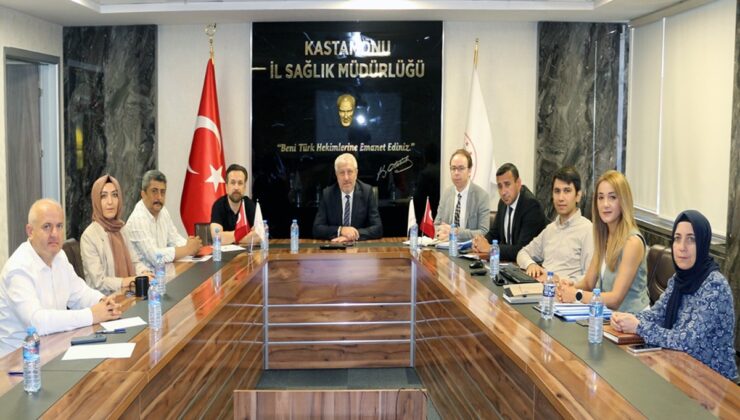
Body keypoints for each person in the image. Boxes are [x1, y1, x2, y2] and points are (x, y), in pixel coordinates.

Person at [610, 211, 737, 380]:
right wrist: (625, 318)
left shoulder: (714, 286)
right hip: (679, 369)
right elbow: (656, 315)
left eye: (691, 239)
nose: (682, 246)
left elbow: (687, 341)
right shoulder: (679, 279)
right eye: (677, 238)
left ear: (703, 243)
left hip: (714, 381)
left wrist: (638, 327)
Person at [0, 199, 121, 356]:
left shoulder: (59, 256)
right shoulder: (18, 269)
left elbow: (81, 294)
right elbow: (37, 323)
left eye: (59, 226)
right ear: (30, 231)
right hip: (20, 360)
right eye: (47, 226)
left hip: (54, 347)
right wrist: (91, 315)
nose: (55, 234)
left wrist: (103, 302)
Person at [557, 171, 649, 312]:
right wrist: (568, 287)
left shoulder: (633, 242)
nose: (605, 204)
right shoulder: (604, 236)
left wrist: (576, 294)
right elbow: (588, 283)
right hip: (606, 315)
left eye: (612, 197)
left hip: (632, 319)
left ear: (623, 201)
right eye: (600, 197)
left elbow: (615, 299)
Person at [516, 166, 593, 282]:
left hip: (565, 290)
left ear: (578, 196)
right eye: (557, 191)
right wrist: (531, 264)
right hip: (541, 288)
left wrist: (558, 280)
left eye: (567, 191)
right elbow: (522, 253)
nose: (560, 198)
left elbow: (590, 279)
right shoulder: (550, 229)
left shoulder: (588, 230)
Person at [81, 175, 150, 294]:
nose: (110, 202)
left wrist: (144, 273)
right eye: (103, 196)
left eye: (114, 195)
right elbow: (99, 282)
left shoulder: (121, 228)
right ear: (96, 201)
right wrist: (130, 281)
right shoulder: (89, 236)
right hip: (105, 300)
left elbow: (135, 262)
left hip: (128, 294)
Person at [125, 170, 201, 268]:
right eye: (154, 191)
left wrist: (192, 245)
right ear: (143, 194)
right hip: (144, 275)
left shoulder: (163, 211)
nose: (159, 197)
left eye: (162, 192)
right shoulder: (137, 219)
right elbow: (155, 257)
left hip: (162, 272)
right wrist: (187, 249)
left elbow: (174, 239)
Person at [471, 163, 547, 259]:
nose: (503, 192)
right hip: (508, 263)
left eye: (507, 184)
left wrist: (490, 248)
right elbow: (494, 233)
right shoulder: (503, 203)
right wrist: (480, 242)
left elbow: (522, 250)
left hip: (531, 264)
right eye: (500, 186)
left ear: (518, 183)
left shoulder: (531, 206)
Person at [313, 153, 383, 241]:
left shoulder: (367, 192)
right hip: (335, 246)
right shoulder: (328, 194)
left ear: (356, 173)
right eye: (342, 173)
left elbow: (377, 228)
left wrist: (351, 235)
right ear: (336, 175)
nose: (346, 178)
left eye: (350, 172)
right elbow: (317, 229)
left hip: (360, 247)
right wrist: (341, 230)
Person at [434, 149, 490, 242]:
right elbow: (437, 225)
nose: (456, 173)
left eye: (461, 168)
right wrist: (440, 233)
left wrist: (456, 232)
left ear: (469, 170)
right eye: (453, 168)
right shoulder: (446, 194)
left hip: (470, 248)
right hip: (446, 245)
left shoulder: (481, 196)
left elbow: (484, 231)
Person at [210, 164, 259, 245]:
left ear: (244, 187)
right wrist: (245, 234)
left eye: (240, 183)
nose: (236, 187)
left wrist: (228, 237)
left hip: (245, 252)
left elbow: (259, 236)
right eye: (233, 183)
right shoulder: (218, 206)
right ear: (226, 187)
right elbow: (217, 238)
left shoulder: (249, 204)